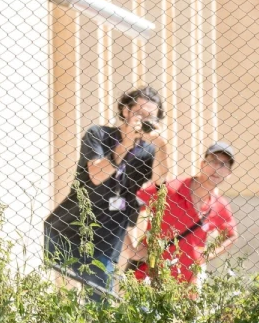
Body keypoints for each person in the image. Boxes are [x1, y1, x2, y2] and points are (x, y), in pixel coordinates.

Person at [44, 86, 169, 298]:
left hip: (105, 240)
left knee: (100, 298)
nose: (144, 122)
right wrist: (125, 144)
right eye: (139, 114)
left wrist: (161, 145)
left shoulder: (149, 151)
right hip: (67, 230)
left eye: (151, 118)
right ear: (125, 111)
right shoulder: (99, 135)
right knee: (60, 295)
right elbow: (96, 174)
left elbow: (159, 182)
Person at [126, 141, 239, 288]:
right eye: (214, 161)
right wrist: (131, 250)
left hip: (185, 287)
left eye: (224, 165)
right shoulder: (170, 188)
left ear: (229, 174)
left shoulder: (220, 205)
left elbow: (232, 236)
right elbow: (125, 209)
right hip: (148, 279)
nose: (218, 168)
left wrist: (206, 256)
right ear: (202, 164)